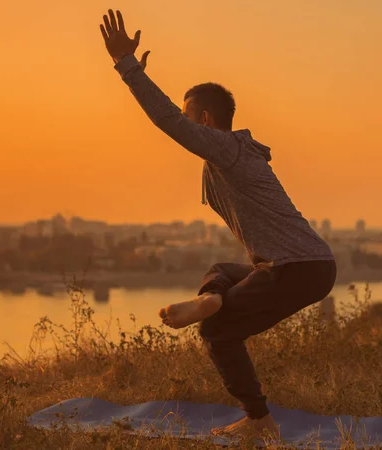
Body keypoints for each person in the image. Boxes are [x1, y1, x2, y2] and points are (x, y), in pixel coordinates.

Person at [100, 9, 337, 440]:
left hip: (295, 266)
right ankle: (211, 298)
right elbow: (176, 119)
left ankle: (259, 421)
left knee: (217, 333)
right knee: (224, 272)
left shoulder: (225, 149)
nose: (187, 126)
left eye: (192, 118)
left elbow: (168, 120)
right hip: (302, 264)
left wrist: (127, 67)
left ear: (206, 121)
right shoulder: (234, 154)